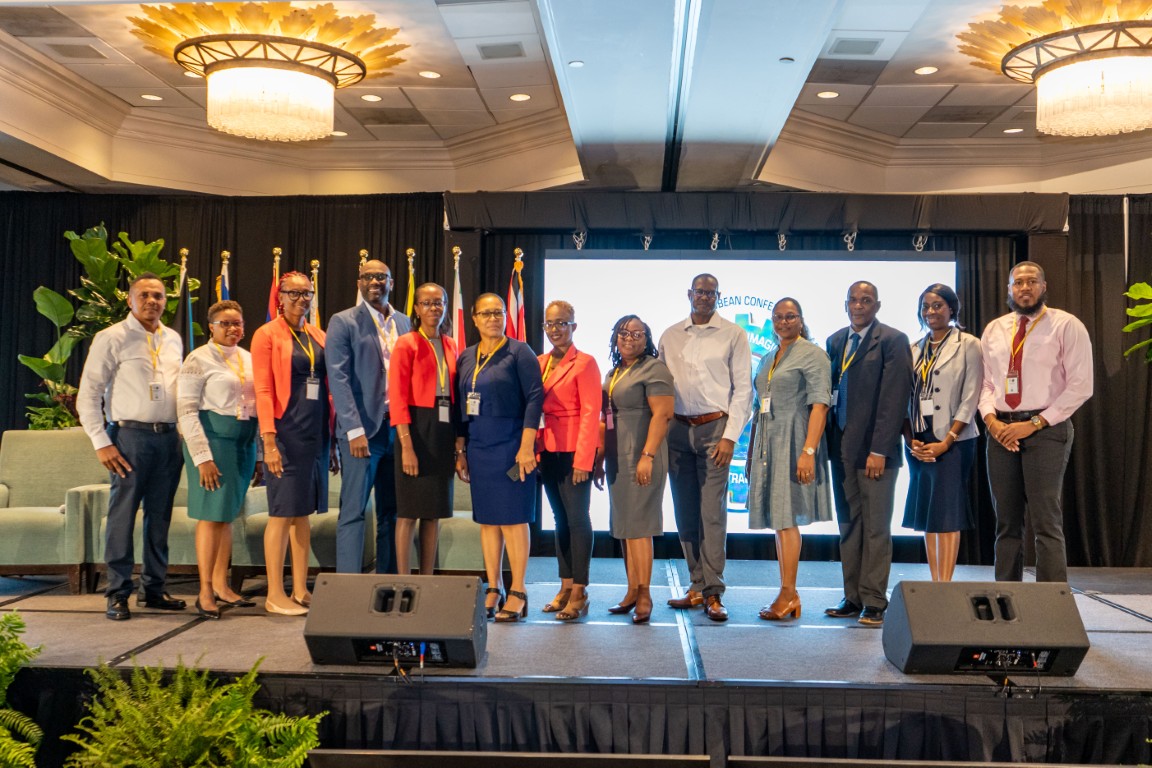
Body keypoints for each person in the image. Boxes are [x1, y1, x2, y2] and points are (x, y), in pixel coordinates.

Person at [78, 272, 187, 621]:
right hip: (129, 438)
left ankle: (153, 589)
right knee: (123, 516)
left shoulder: (173, 339)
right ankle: (118, 592)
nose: (152, 301)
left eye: (158, 295)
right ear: (130, 300)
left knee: (160, 516)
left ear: (166, 301)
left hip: (168, 438)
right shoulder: (111, 337)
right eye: (144, 295)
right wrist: (101, 442)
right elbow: (88, 395)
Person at [978, 262, 1092, 583]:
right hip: (1002, 432)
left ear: (1043, 287)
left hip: (1047, 431)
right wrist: (991, 421)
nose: (1024, 288)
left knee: (1045, 522)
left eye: (1031, 281)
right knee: (1006, 523)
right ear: (1009, 289)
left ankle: (1050, 602)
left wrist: (1035, 423)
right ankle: (1006, 597)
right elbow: (985, 384)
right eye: (1018, 283)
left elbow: (1081, 386)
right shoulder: (994, 329)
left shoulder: (1066, 325)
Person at [658, 273, 753, 622]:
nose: (705, 297)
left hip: (715, 430)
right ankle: (696, 585)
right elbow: (660, 387)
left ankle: (714, 591)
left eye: (711, 293)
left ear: (718, 297)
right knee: (685, 513)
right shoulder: (670, 335)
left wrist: (730, 437)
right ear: (689, 294)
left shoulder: (733, 334)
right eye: (700, 291)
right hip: (677, 431)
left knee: (711, 513)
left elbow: (743, 390)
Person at [825, 281, 913, 627]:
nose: (858, 305)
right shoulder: (835, 341)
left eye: (866, 300)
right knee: (849, 526)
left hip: (875, 452)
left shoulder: (892, 340)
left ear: (877, 306)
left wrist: (880, 449)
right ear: (845, 304)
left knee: (876, 529)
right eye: (853, 300)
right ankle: (853, 597)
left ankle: (875, 601)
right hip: (841, 449)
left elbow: (894, 400)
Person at [455, 293, 544, 622]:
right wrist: (461, 449)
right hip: (479, 446)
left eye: (498, 312)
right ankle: (494, 587)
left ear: (506, 316)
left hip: (512, 446)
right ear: (474, 319)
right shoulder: (466, 356)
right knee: (488, 520)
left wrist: (527, 445)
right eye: (486, 313)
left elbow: (535, 398)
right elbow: (460, 405)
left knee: (513, 518)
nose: (493, 318)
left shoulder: (520, 352)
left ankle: (518, 590)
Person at [746, 298, 832, 621]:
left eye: (790, 316)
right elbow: (759, 407)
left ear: (801, 319)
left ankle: (788, 592)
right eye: (778, 317)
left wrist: (808, 451)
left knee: (786, 519)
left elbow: (820, 406)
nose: (784, 322)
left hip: (794, 441)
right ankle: (788, 593)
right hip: (767, 443)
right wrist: (752, 451)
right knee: (779, 520)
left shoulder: (813, 354)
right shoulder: (769, 357)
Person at [251, 271, 330, 616]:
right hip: (285, 433)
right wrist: (268, 442)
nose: (301, 299)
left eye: (307, 293)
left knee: (303, 514)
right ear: (280, 297)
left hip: (316, 433)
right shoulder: (266, 334)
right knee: (282, 513)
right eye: (293, 293)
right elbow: (263, 390)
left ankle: (300, 589)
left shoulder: (317, 334)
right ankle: (274, 593)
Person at [326, 260, 410, 574]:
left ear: (391, 282)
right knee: (353, 511)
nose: (375, 281)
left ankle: (387, 583)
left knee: (392, 512)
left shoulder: (404, 322)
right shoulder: (343, 321)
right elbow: (339, 379)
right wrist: (353, 429)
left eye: (381, 276)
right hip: (362, 432)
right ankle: (348, 587)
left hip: (397, 430)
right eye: (368, 276)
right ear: (359, 282)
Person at [177, 300, 259, 619]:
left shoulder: (249, 358)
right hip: (213, 443)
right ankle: (205, 590)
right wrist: (202, 457)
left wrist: (260, 453)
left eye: (237, 323)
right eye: (225, 323)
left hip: (244, 443)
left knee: (227, 515)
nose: (232, 328)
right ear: (211, 327)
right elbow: (186, 410)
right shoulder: (198, 359)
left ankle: (223, 585)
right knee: (211, 516)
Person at [901, 284, 983, 583]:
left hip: (954, 441)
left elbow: (971, 397)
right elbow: (904, 397)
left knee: (947, 513)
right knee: (928, 513)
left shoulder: (969, 344)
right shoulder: (913, 348)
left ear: (951, 309)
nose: (930, 312)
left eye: (937, 305)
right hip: (919, 441)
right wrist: (909, 440)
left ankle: (944, 585)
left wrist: (947, 441)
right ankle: (934, 581)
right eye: (925, 306)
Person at [603, 315, 674, 624]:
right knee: (625, 526)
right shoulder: (615, 371)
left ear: (647, 339)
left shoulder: (654, 369)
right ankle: (632, 589)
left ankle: (645, 594)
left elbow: (663, 414)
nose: (629, 338)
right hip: (617, 456)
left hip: (642, 454)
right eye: (623, 333)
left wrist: (648, 455)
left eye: (637, 334)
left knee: (640, 526)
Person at [536, 300, 602, 622]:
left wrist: (584, 460)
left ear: (574, 326)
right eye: (550, 324)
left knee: (577, 519)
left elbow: (591, 413)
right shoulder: (540, 362)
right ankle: (564, 585)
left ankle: (580, 591)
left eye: (562, 323)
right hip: (548, 449)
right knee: (559, 520)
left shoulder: (585, 363)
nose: (555, 329)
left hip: (575, 452)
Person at [389, 283, 457, 574]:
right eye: (427, 303)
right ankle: (405, 579)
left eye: (439, 302)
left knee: (433, 513)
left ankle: (426, 579)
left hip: (443, 431)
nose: (433, 308)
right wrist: (407, 446)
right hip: (415, 430)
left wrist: (458, 445)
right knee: (408, 513)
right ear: (416, 309)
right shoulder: (407, 343)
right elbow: (397, 398)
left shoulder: (451, 344)